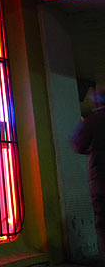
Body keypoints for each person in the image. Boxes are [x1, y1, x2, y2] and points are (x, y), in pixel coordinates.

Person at [71, 85, 105, 262]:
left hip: (101, 180)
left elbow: (77, 144)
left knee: (103, 222)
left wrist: (92, 149)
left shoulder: (92, 121)